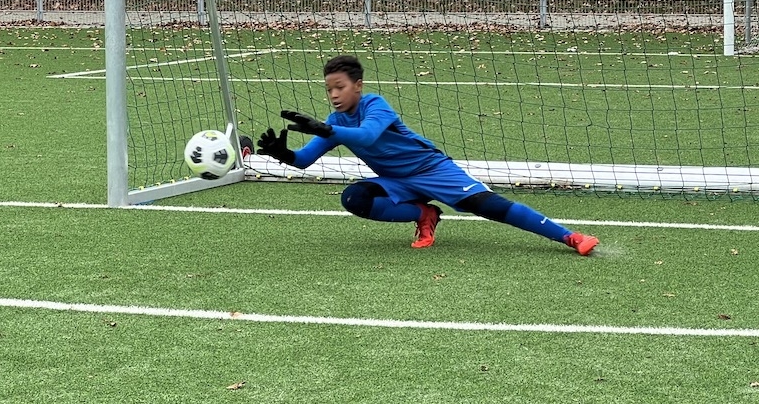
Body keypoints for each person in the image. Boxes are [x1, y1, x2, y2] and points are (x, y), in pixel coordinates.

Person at [256, 54, 600, 255]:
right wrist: (283, 154)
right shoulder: (333, 123)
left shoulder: (375, 105)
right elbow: (305, 160)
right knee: (355, 198)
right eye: (329, 88)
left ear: (358, 86)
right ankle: (424, 214)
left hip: (432, 169)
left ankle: (570, 237)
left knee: (490, 207)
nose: (333, 95)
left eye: (340, 87)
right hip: (396, 181)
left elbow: (367, 135)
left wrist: (326, 131)